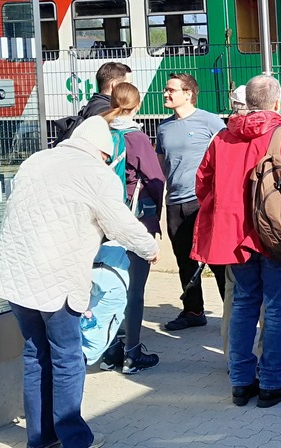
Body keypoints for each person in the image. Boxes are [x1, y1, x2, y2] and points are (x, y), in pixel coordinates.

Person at [0, 117, 158, 448]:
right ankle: (75, 439)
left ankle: (40, 439)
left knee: (35, 353)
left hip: (15, 275)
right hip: (57, 278)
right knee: (67, 356)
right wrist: (149, 248)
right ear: (103, 153)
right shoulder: (97, 174)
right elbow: (120, 223)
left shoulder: (36, 160)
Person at [193, 75, 281, 408]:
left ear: (248, 101)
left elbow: (202, 184)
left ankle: (240, 383)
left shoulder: (222, 138)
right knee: (277, 310)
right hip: (276, 237)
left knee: (243, 305)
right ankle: (272, 383)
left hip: (234, 237)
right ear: (277, 103)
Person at [94, 82, 167, 374]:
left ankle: (110, 350)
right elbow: (155, 179)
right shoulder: (136, 137)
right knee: (134, 291)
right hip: (133, 220)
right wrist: (156, 216)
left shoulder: (100, 131)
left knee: (109, 285)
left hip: (101, 222)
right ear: (137, 106)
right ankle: (133, 353)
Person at [156, 73, 228, 331]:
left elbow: (226, 158)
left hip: (203, 202)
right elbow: (161, 166)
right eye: (166, 89)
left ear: (188, 93)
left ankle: (230, 312)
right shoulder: (163, 127)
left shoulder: (211, 122)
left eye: (171, 89)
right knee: (184, 259)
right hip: (175, 202)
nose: (166, 93)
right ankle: (193, 310)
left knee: (217, 259)